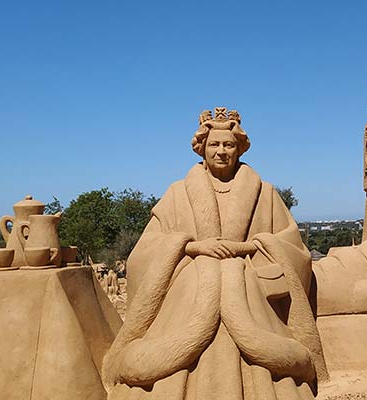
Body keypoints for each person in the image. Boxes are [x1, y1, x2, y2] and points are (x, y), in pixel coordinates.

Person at [102, 108, 327, 399]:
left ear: (239, 148)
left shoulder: (266, 194)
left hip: (251, 300)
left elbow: (293, 248)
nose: (221, 152)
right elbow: (144, 252)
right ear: (202, 149)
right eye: (214, 145)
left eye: (229, 145)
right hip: (188, 300)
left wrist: (245, 248)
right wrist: (191, 247)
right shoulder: (177, 193)